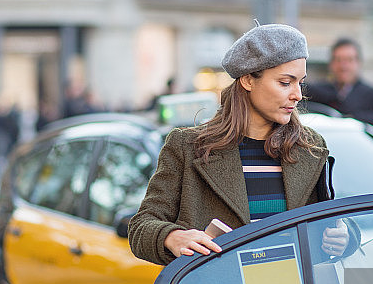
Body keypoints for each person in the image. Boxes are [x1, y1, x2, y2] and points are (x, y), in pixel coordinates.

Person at [128, 23, 352, 266]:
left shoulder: (310, 147)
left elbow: (332, 219)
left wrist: (345, 237)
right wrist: (172, 237)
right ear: (247, 80)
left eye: (300, 82)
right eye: (285, 82)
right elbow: (142, 226)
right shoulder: (187, 146)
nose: (297, 94)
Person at [305, 38, 373, 134]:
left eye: (349, 60)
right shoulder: (319, 91)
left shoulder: (372, 94)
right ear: (331, 64)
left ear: (359, 63)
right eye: (338, 60)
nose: (343, 66)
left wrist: (354, 119)